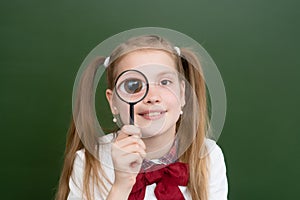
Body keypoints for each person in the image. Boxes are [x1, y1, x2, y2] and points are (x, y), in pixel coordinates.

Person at [55, 34, 228, 200]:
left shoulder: (207, 156)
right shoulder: (88, 163)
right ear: (113, 101)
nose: (152, 96)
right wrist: (121, 185)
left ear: (182, 93)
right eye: (133, 85)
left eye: (164, 82)